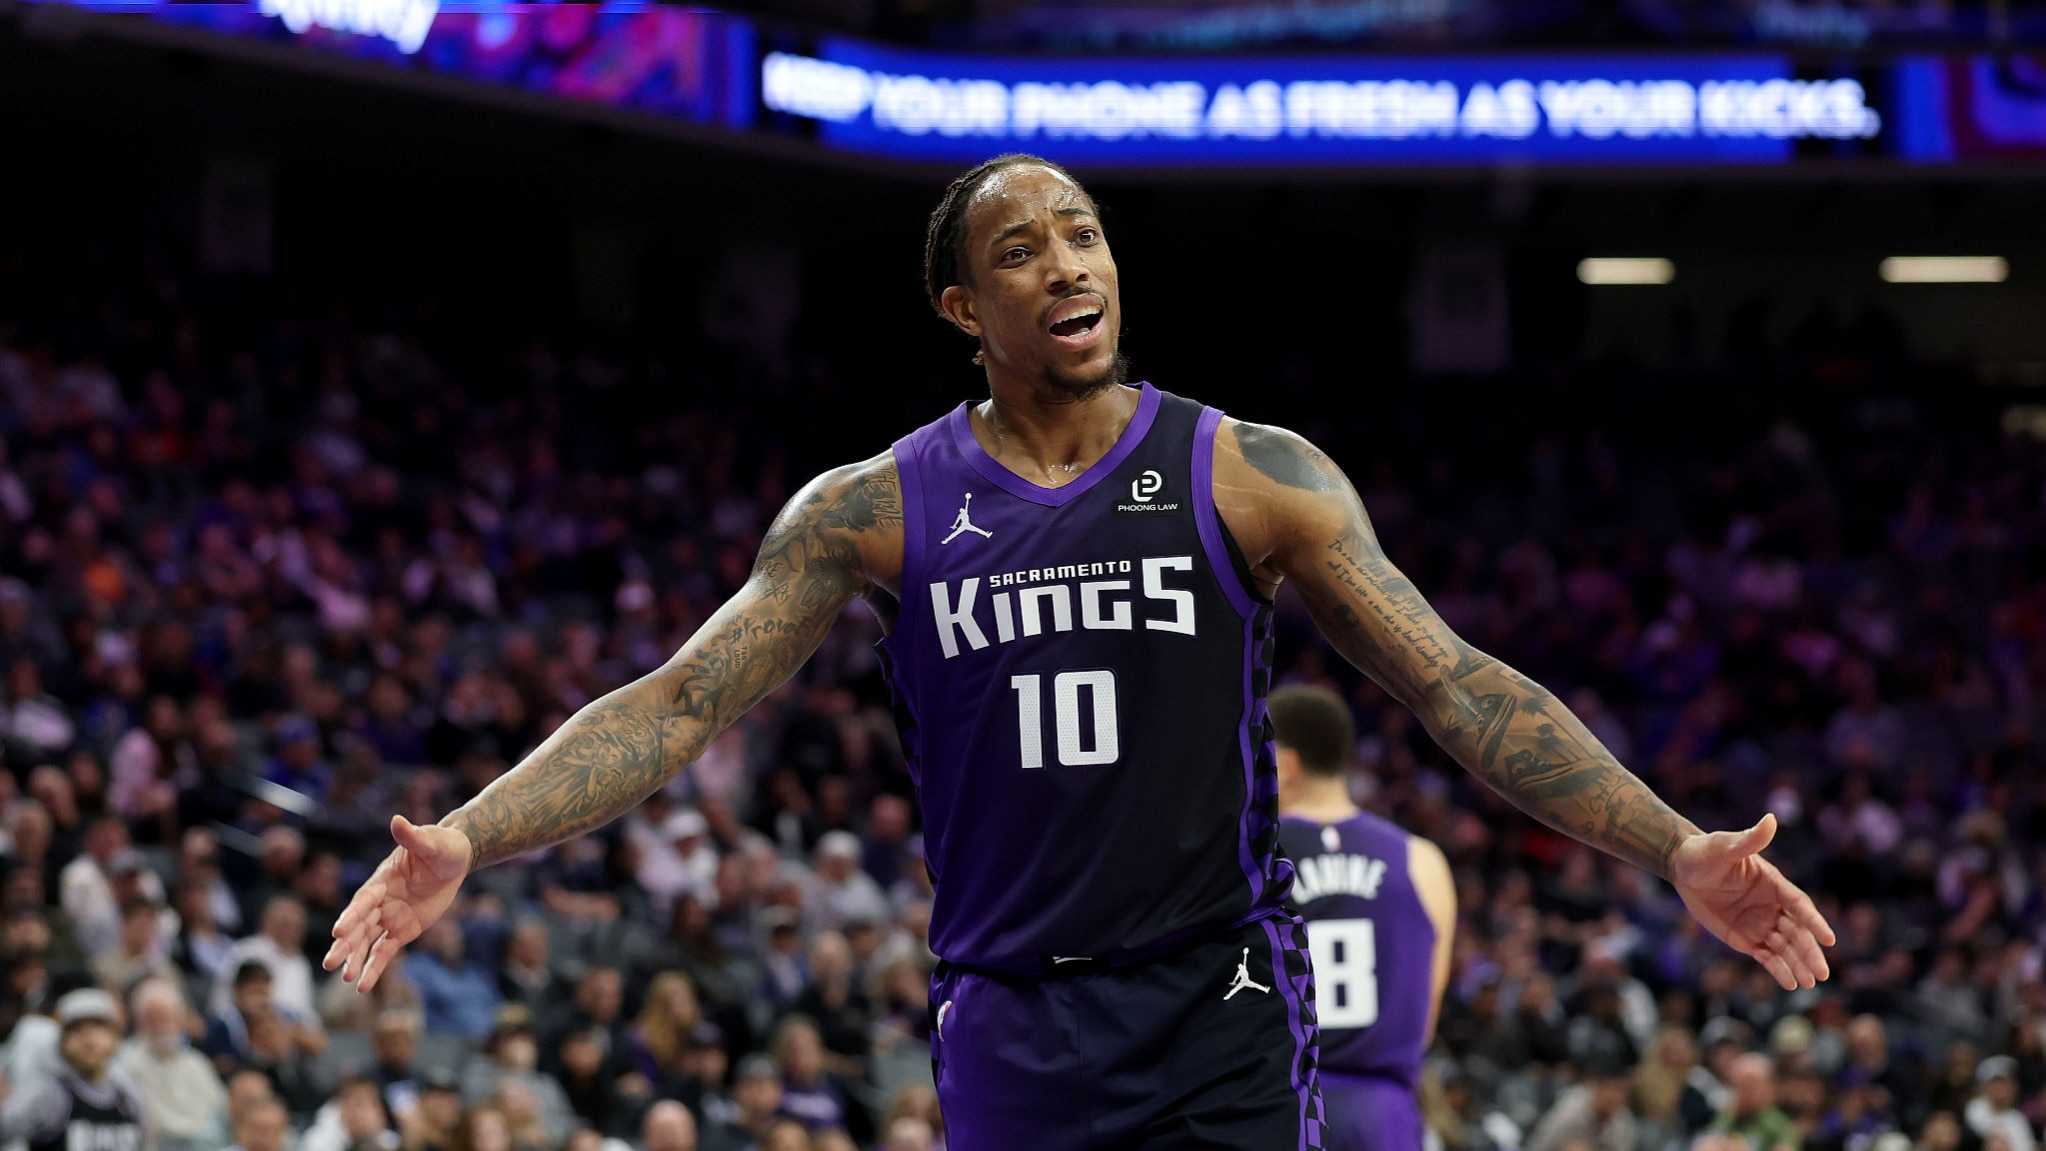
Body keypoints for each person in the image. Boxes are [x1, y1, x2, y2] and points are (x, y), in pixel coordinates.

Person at [326, 153, 1834, 1149]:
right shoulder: (870, 510)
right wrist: (472, 832)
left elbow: (1455, 683)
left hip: (1215, 995)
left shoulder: (1249, 470)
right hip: (1008, 1012)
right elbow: (675, 703)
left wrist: (1672, 844)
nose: (1068, 264)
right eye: (1022, 248)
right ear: (959, 304)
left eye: (1084, 235)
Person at [1272, 683, 1456, 1151]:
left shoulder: (1251, 861)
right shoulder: (1423, 860)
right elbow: (1425, 1020)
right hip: (1383, 1112)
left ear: (1286, 765)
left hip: (1280, 1105)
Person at [0, 989, 148, 1151]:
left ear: (115, 1038)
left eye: (98, 1028)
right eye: (76, 1029)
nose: (89, 1040)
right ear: (62, 1043)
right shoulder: (49, 1094)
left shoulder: (129, 1099)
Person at [113, 978, 230, 1151]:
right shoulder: (125, 1061)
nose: (162, 1026)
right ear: (139, 1022)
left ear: (181, 1020)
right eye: (153, 1019)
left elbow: (220, 1110)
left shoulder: (197, 1063)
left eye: (168, 1018)